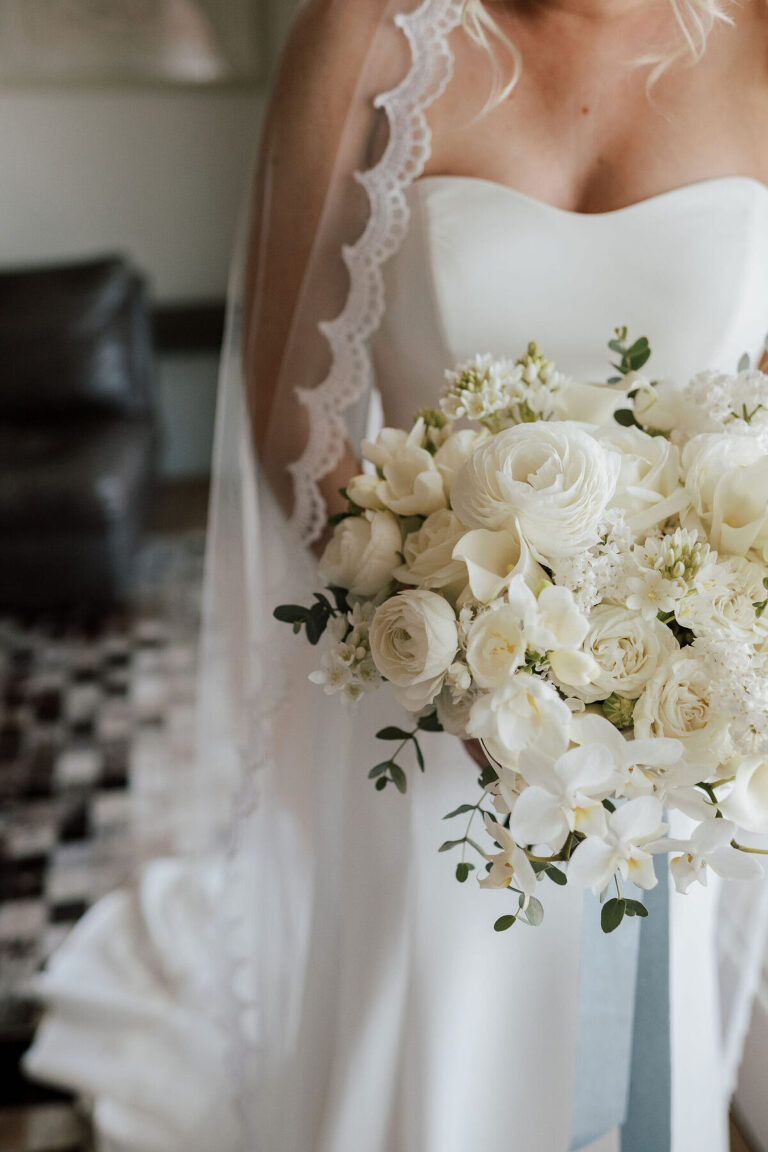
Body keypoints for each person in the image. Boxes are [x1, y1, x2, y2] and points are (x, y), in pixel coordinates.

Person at [25, 1, 768, 1150]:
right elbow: (292, 413)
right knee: (438, 1052)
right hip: (425, 713)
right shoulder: (366, 35)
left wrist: (692, 649)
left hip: (678, 730)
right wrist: (462, 660)